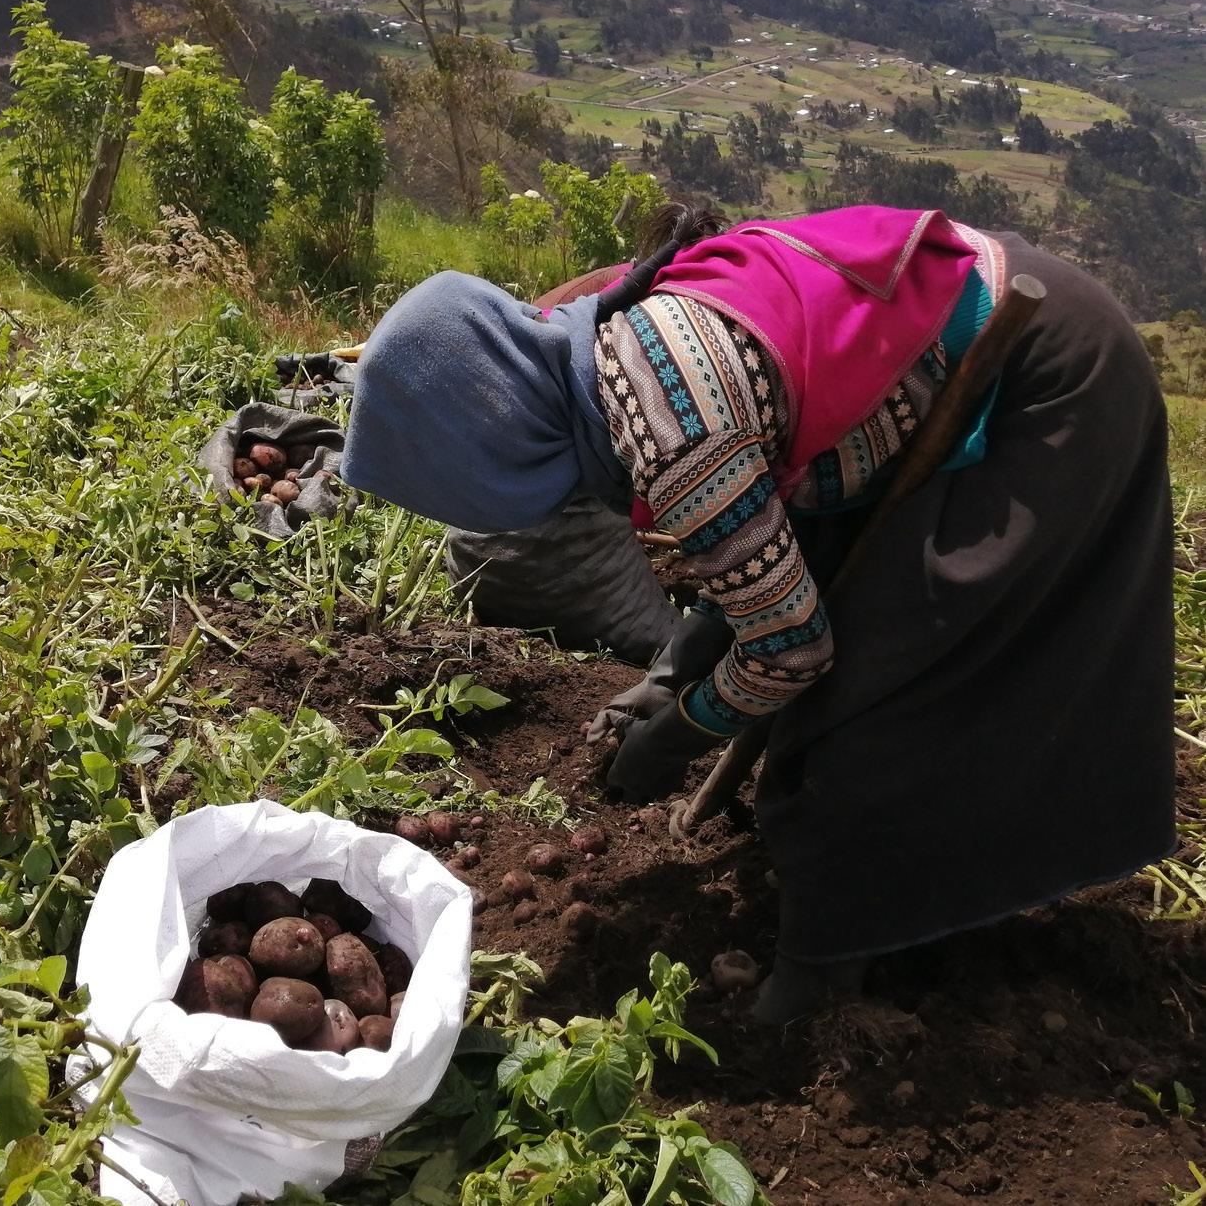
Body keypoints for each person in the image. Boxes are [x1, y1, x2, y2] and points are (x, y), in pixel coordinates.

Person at [341, 205, 1176, 1022]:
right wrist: (674, 674)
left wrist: (677, 735)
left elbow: (791, 648)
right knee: (845, 634)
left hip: (1043, 380)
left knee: (872, 697)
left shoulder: (674, 432)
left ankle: (827, 967)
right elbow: (754, 543)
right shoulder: (613, 353)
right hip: (955, 355)